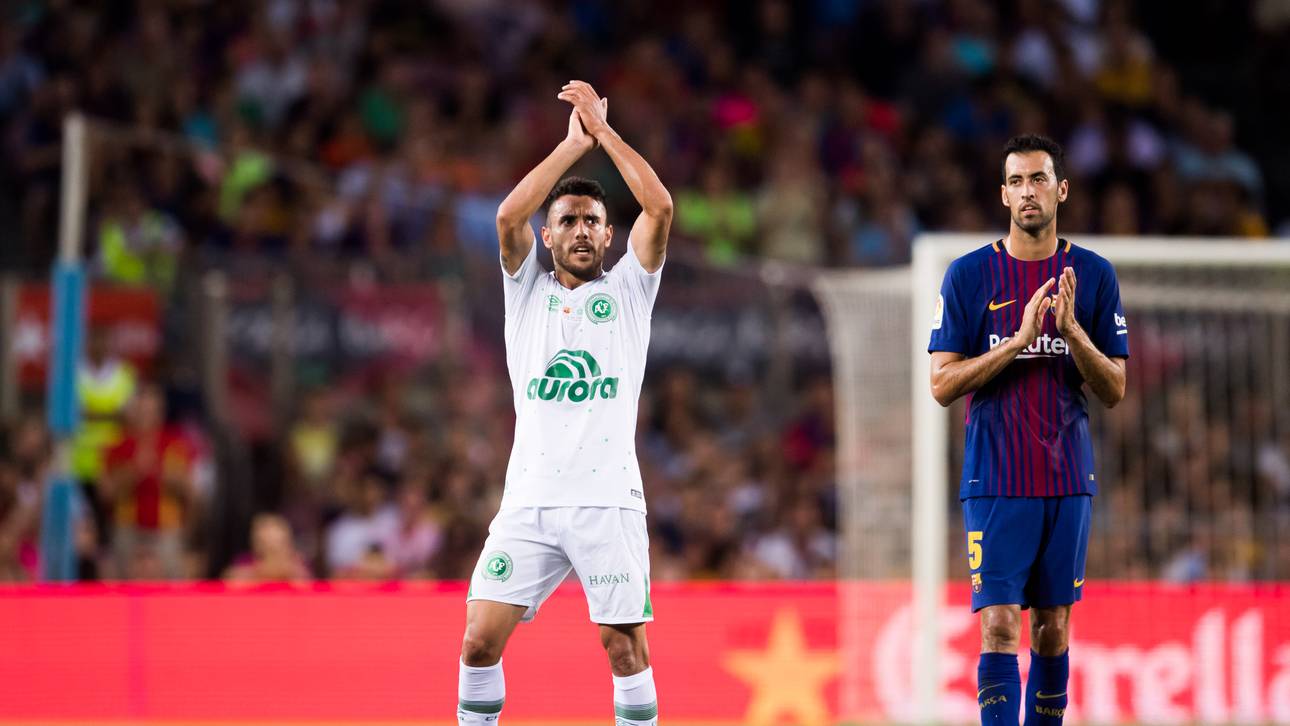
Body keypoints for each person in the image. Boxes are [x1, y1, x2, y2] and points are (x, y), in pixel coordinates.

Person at [456, 80, 671, 726]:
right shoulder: (525, 294)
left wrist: (603, 137)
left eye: (592, 223)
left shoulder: (631, 293)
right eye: (568, 221)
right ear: (547, 237)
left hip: (608, 501)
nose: (581, 230)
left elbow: (658, 209)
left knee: (624, 648)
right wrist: (569, 149)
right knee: (476, 642)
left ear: (609, 238)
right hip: (529, 502)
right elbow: (503, 217)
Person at [927, 135, 1128, 725]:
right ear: (1003, 195)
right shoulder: (967, 276)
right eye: (1015, 182)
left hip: (1066, 476)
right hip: (995, 477)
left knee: (1052, 627)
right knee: (998, 623)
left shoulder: (1092, 276)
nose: (1026, 192)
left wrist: (1073, 334)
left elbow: (1114, 388)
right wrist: (1016, 343)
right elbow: (942, 385)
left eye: (1038, 179)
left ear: (1061, 190)